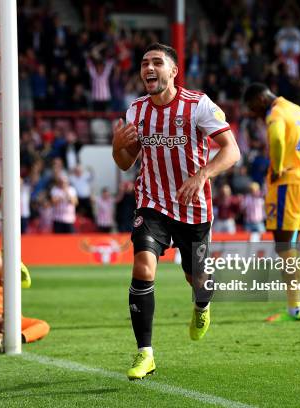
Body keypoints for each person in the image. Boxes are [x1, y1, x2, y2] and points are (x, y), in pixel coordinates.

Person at [112, 43, 240, 380]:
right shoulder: (136, 111)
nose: (148, 68)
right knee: (143, 266)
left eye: (157, 62)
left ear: (173, 71)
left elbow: (232, 151)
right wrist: (117, 147)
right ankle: (145, 354)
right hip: (152, 203)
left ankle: (202, 305)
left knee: (196, 277)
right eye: (144, 64)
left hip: (192, 206)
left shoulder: (198, 105)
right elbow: (127, 163)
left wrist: (203, 175)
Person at [243, 82, 300, 323]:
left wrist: (278, 168)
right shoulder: (296, 109)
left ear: (260, 99)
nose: (254, 114)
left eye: (252, 108)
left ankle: (295, 309)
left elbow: (277, 139)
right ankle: (294, 307)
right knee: (290, 244)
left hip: (286, 185)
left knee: (286, 247)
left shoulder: (276, 113)